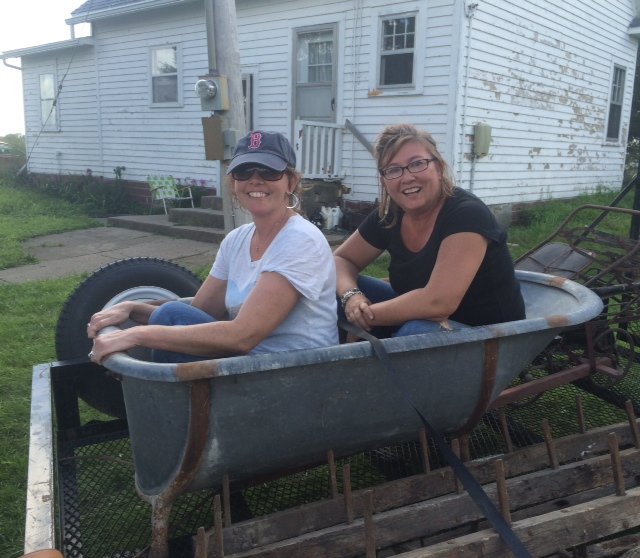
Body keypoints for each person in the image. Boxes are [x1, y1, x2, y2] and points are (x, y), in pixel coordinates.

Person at [87, 131, 338, 363]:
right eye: (244, 172)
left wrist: (136, 335)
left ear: (291, 182)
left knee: (170, 318)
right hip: (251, 364)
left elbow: (243, 336)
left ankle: (166, 395)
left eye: (269, 172)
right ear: (234, 184)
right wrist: (133, 308)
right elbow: (202, 311)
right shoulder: (237, 240)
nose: (255, 180)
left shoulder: (300, 240)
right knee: (172, 313)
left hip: (293, 371)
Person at [334, 123, 525, 338]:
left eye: (417, 164)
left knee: (417, 333)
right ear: (384, 181)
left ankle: (373, 355)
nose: (407, 177)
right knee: (331, 288)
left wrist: (364, 315)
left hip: (488, 334)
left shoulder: (467, 214)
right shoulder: (391, 215)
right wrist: (352, 297)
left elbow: (438, 303)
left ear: (439, 168)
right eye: (393, 170)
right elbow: (341, 259)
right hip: (421, 319)